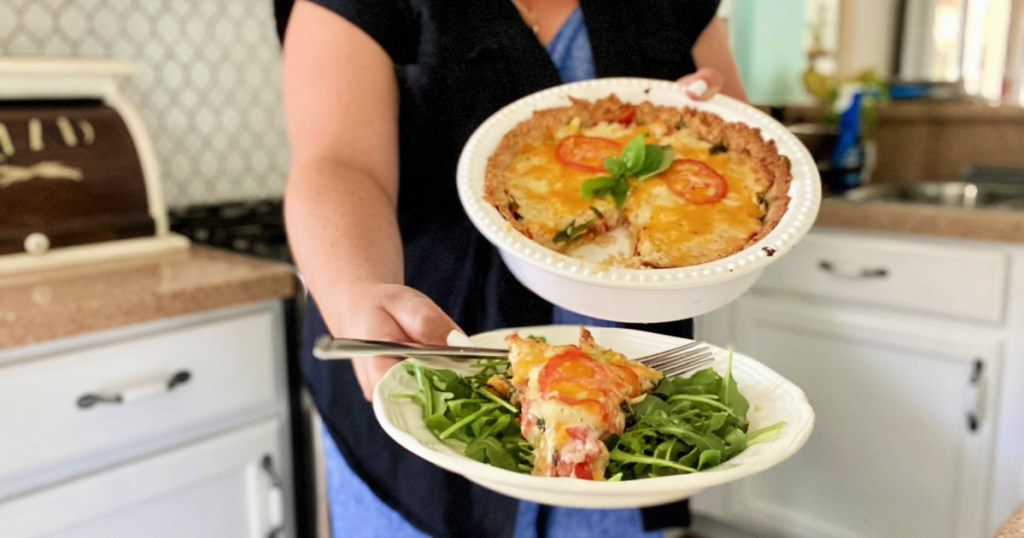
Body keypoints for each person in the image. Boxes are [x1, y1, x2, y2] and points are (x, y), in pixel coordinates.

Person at [280, 1, 747, 536]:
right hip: (436, 353)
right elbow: (339, 163)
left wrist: (712, 129)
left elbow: (739, 140)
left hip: (630, 398)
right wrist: (357, 290)